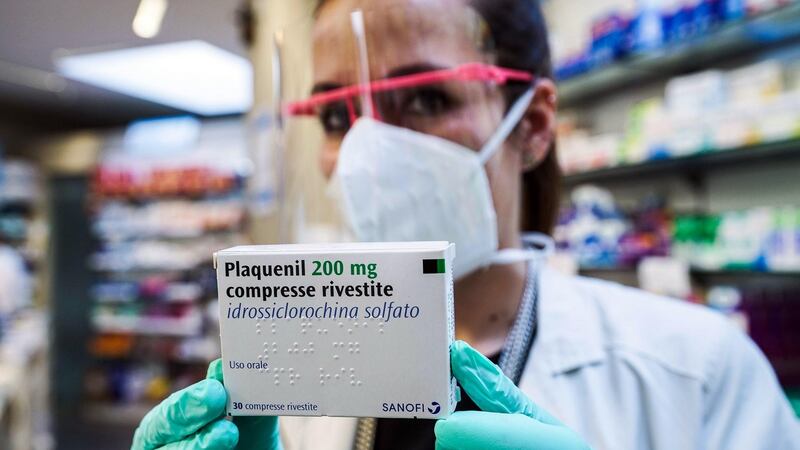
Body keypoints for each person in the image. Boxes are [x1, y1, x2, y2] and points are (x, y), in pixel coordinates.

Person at [132, 0, 800, 449]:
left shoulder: (694, 371)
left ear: (532, 125)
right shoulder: (289, 378)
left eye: (425, 98)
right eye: (336, 117)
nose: (368, 150)